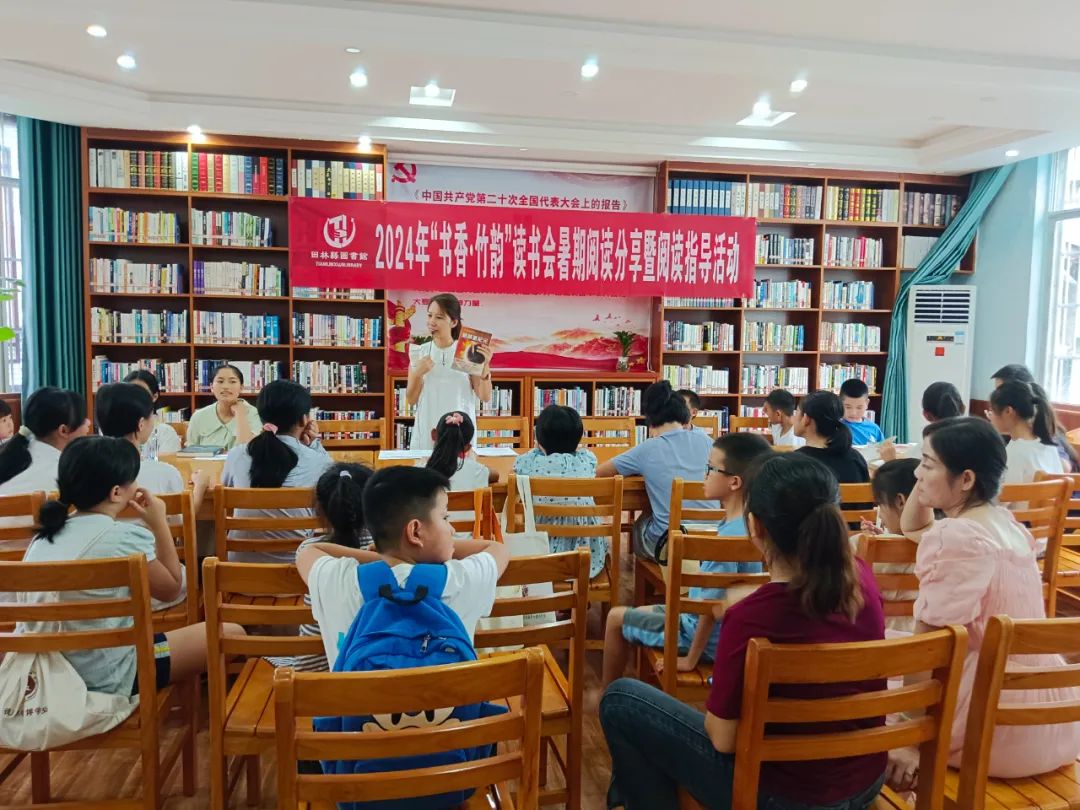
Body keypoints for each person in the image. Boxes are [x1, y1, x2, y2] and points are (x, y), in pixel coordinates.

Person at [601, 452, 887, 809]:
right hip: (863, 779)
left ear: (755, 526)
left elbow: (723, 739)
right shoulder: (863, 580)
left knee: (621, 699)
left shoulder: (752, 617)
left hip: (781, 794)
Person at [889, 416, 1080, 785]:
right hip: (1048, 721)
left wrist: (910, 734)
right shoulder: (1007, 524)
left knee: (864, 688)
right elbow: (913, 526)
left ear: (966, 479)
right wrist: (927, 478)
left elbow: (927, 649)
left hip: (988, 726)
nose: (916, 474)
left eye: (927, 464)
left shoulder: (955, 538)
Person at [19, 436, 242, 696]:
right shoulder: (124, 538)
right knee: (232, 633)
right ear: (116, 493)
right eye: (133, 479)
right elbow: (172, 589)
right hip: (110, 675)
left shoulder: (41, 540)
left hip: (44, 676)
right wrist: (159, 522)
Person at [296, 466, 511, 670]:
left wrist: (380, 557)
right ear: (415, 531)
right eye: (445, 517)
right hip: (445, 696)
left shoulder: (340, 580)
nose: (451, 529)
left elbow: (309, 550)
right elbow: (498, 549)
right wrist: (442, 548)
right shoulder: (458, 581)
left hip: (360, 697)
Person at [600, 432, 772, 688]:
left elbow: (709, 609)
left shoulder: (724, 542)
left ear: (734, 482)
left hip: (699, 636)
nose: (704, 474)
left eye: (710, 469)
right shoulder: (752, 524)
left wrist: (690, 659)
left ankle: (607, 696)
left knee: (615, 618)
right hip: (725, 630)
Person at [271, 462, 374, 672]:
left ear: (320, 510)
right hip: (372, 670)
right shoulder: (393, 553)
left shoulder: (310, 551)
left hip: (314, 674)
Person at [597, 381, 715, 563]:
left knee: (640, 523)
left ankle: (648, 575)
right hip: (712, 539)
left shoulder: (648, 448)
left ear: (650, 420)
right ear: (684, 416)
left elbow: (600, 473)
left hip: (670, 546)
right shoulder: (708, 442)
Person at [221, 379, 331, 563]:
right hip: (298, 569)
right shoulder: (319, 461)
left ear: (261, 416)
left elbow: (226, 492)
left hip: (239, 569)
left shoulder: (237, 455)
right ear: (304, 420)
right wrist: (313, 445)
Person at [513, 405, 604, 578]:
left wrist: (539, 447)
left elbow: (519, 462)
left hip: (541, 553)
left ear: (539, 438)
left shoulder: (530, 463)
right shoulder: (587, 461)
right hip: (586, 558)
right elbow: (589, 456)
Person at [94, 382, 209, 513]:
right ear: (141, 424)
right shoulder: (165, 473)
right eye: (151, 415)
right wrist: (200, 487)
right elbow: (182, 519)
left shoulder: (87, 472)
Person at [405, 294, 494, 451]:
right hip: (428, 426)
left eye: (439, 317)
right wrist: (418, 374)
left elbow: (484, 396)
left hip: (460, 428)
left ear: (453, 322)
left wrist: (485, 367)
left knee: (460, 465)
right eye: (429, 315)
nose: (432, 322)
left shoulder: (465, 351)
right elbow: (411, 400)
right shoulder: (419, 352)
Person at [860, 458, 920, 633]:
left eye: (880, 504)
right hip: (928, 635)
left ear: (900, 501)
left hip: (880, 634)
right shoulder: (947, 539)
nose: (880, 515)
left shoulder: (860, 544)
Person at [0, 386, 89, 495]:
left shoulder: (16, 451)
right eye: (82, 420)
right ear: (63, 430)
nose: (88, 423)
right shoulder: (62, 475)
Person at [991, 364, 1079, 472]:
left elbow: (1065, 468)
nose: (997, 396)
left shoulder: (1043, 433)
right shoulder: (1018, 439)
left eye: (1001, 390)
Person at [988, 380, 1073, 485]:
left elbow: (1006, 494)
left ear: (1008, 411)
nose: (990, 416)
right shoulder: (1050, 447)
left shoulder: (1015, 453)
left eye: (992, 410)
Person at [794, 391, 870, 484]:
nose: (794, 418)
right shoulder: (856, 458)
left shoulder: (793, 463)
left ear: (806, 419)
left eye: (796, 412)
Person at [880, 381, 965, 462]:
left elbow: (909, 472)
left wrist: (890, 461)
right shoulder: (970, 437)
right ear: (963, 407)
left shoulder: (929, 448)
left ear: (926, 415)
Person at [185, 363, 261, 450]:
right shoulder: (199, 416)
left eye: (232, 382)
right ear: (211, 387)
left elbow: (247, 451)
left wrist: (240, 415)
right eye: (220, 381)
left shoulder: (254, 414)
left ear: (241, 387)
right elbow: (190, 451)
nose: (225, 387)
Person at [425, 410, 498, 489]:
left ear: (433, 435)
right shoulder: (477, 471)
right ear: (467, 448)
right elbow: (495, 474)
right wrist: (473, 463)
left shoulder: (419, 471)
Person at [124, 369, 182, 457]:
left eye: (141, 393)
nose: (135, 398)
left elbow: (167, 462)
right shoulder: (114, 428)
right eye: (131, 393)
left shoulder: (165, 432)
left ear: (154, 396)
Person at [839, 378, 885, 445]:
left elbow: (883, 449)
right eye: (848, 407)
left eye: (859, 408)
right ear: (839, 403)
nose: (853, 413)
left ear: (867, 404)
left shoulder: (874, 429)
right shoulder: (835, 427)